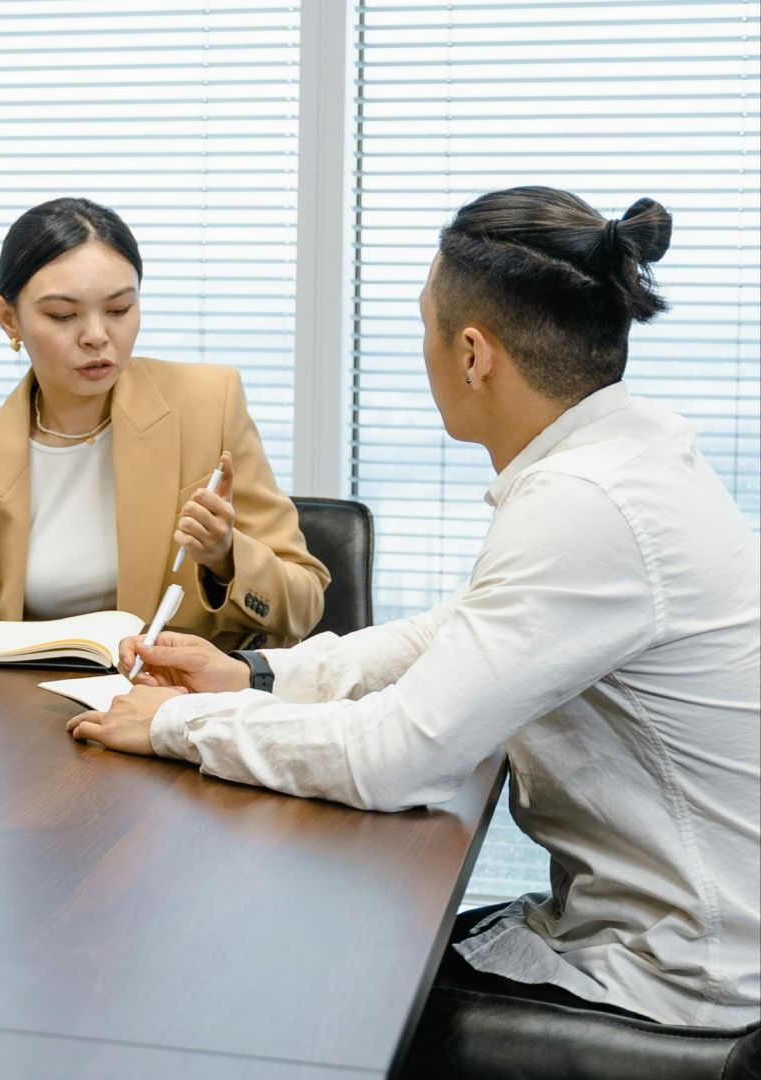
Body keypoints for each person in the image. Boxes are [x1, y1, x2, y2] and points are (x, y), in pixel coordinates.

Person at [71, 188, 761, 1029]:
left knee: (301, 994)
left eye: (424, 323)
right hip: (652, 936)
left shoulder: (586, 503)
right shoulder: (626, 453)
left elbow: (399, 759)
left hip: (683, 981)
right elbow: (452, 632)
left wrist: (178, 724)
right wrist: (251, 675)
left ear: (473, 354)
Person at [0, 197, 327, 645]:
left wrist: (226, 557)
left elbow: (304, 601)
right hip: (25, 691)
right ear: (8, 319)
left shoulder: (210, 405)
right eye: (63, 315)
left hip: (177, 688)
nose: (97, 336)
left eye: (119, 309)